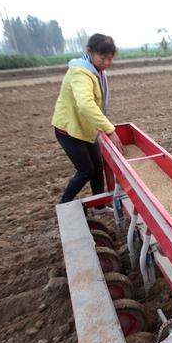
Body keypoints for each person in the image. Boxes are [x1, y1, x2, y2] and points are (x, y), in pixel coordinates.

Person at [51, 33, 123, 214]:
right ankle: (64, 203)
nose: (106, 63)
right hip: (69, 130)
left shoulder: (96, 71)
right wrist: (109, 129)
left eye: (110, 58)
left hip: (86, 128)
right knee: (86, 170)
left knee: (98, 166)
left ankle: (98, 206)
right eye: (102, 57)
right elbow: (85, 104)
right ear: (90, 52)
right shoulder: (80, 72)